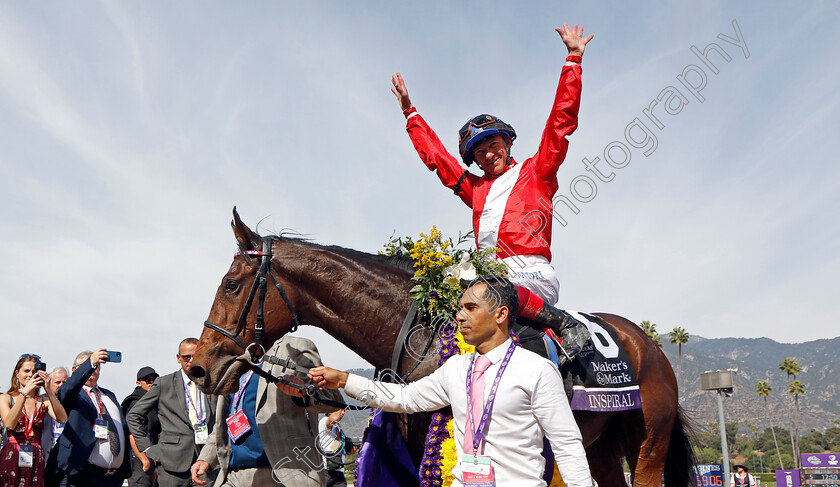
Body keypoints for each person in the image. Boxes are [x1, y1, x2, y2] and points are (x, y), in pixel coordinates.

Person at [390, 23, 595, 363]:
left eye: (493, 145)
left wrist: (573, 60)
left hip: (531, 274)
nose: (488, 154)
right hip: (488, 277)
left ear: (507, 143)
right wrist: (411, 113)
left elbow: (560, 123)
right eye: (479, 152)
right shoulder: (476, 189)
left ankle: (563, 324)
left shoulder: (537, 170)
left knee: (483, 286)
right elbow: (439, 161)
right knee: (444, 290)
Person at [309, 275, 593, 487]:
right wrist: (345, 380)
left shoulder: (537, 370)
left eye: (470, 308)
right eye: (460, 308)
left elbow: (566, 443)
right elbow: (404, 399)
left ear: (501, 314)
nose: (459, 316)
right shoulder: (456, 368)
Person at [190, 335, 344, 487]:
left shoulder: (296, 348)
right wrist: (206, 458)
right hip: (234, 474)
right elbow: (224, 421)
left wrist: (302, 393)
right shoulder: (234, 359)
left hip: (284, 473)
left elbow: (331, 400)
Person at [127, 339, 214, 487]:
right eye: (187, 357)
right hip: (172, 464)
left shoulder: (211, 383)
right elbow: (134, 415)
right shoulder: (164, 383)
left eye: (196, 355)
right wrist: (148, 448)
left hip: (205, 461)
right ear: (178, 358)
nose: (191, 360)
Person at [45, 349, 131, 487]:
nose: (93, 370)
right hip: (82, 473)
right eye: (91, 365)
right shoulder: (72, 393)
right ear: (75, 369)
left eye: (97, 367)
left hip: (113, 477)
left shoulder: (109, 395)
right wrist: (90, 363)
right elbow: (68, 389)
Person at [0, 354, 68, 487]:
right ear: (17, 373)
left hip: (35, 455)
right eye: (26, 371)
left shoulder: (43, 401)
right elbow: (10, 423)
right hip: (13, 452)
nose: (30, 375)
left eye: (34, 371)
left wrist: (48, 390)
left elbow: (63, 418)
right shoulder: (6, 398)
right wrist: (24, 394)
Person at [121, 366, 160, 487]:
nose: (151, 382)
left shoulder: (153, 401)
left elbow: (157, 432)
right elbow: (132, 435)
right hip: (139, 456)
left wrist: (155, 462)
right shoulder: (134, 402)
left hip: (152, 454)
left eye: (154, 378)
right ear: (138, 382)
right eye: (147, 379)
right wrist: (144, 459)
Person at [318, 408, 355, 487]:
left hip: (338, 470)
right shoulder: (324, 421)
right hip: (327, 471)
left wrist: (348, 450)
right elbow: (333, 419)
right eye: (340, 410)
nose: (343, 413)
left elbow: (334, 447)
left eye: (344, 410)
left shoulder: (337, 427)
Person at [41, 366, 69, 457]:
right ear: (49, 383)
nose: (61, 385)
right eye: (57, 382)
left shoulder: (71, 403)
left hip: (64, 453)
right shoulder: (41, 401)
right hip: (45, 451)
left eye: (64, 382)